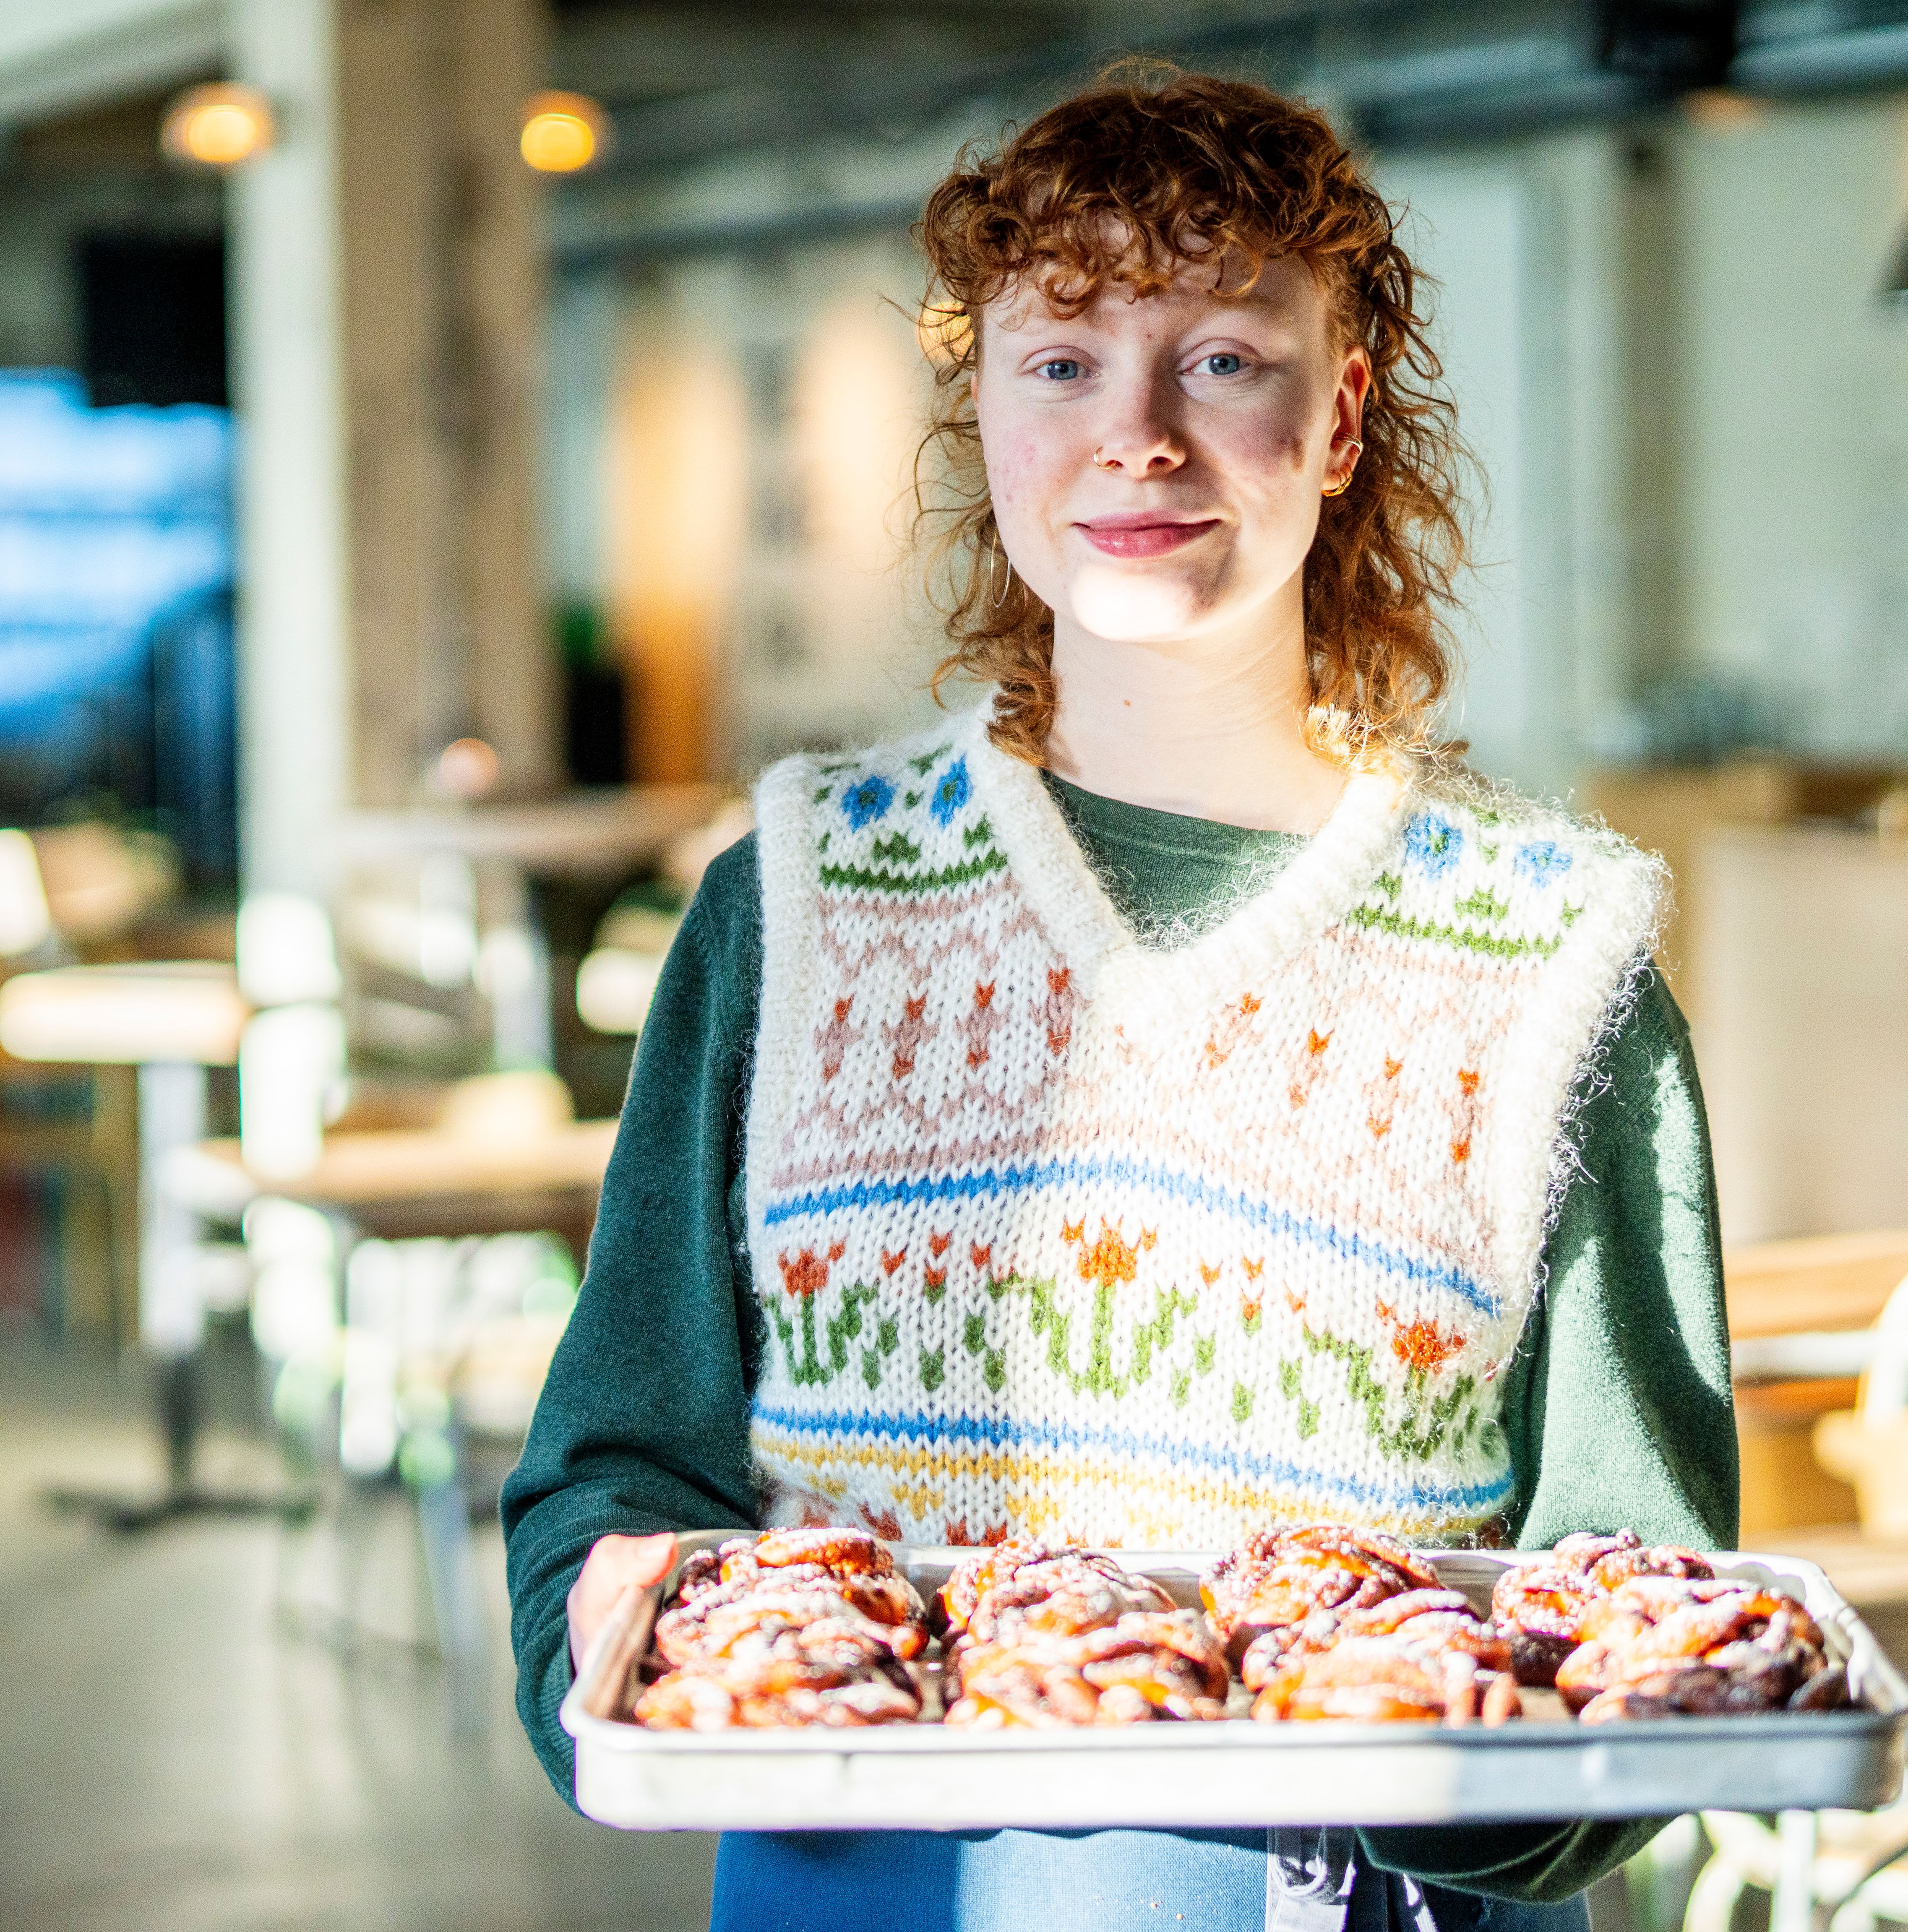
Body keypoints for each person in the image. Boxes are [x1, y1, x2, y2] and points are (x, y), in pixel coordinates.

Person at [499, 68, 1735, 1932]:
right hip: (861, 1893)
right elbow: (610, 1476)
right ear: (984, 414)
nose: (1136, 435)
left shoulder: (1551, 963)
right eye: (1061, 362)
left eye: (1223, 359)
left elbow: (1629, 1589)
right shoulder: (803, 911)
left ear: (1337, 419)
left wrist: (1424, 1760)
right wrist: (614, 1616)